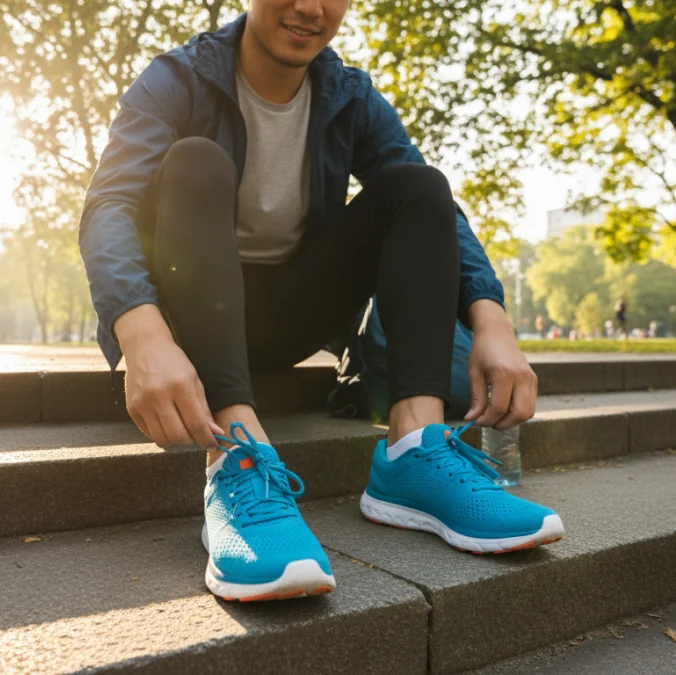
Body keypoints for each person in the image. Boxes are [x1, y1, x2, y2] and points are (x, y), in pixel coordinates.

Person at [79, 3, 563, 602]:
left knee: (420, 187)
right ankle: (238, 455)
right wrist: (141, 333)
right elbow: (110, 205)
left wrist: (492, 319)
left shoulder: (349, 95)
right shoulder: (178, 78)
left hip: (294, 314)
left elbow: (437, 219)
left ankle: (414, 448)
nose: (312, 7)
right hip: (189, 320)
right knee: (194, 159)